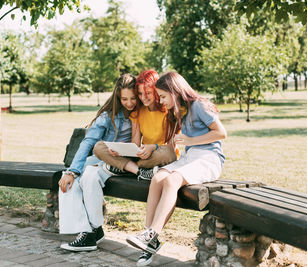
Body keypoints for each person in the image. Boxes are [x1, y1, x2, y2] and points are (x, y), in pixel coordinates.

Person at [126, 72, 227, 266]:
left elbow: (222, 133)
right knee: (157, 178)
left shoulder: (199, 105)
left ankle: (151, 232)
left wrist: (190, 141)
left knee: (172, 180)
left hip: (209, 158)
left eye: (163, 96)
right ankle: (150, 240)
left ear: (174, 92)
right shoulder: (180, 110)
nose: (162, 101)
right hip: (190, 157)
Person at [58, 73, 138, 252]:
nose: (130, 103)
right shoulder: (107, 117)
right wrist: (72, 172)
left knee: (90, 175)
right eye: (124, 99)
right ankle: (89, 231)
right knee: (68, 180)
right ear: (118, 97)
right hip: (104, 159)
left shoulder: (142, 115)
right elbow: (88, 143)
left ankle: (92, 231)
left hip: (125, 163)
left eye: (133, 98)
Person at [93, 69, 177, 181]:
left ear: (156, 91)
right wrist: (121, 149)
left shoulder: (168, 111)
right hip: (141, 157)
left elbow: (171, 147)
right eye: (140, 93)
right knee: (99, 147)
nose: (143, 97)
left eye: (148, 93)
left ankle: (125, 168)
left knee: (168, 153)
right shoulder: (138, 112)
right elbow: (135, 143)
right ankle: (139, 171)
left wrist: (153, 147)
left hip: (158, 155)